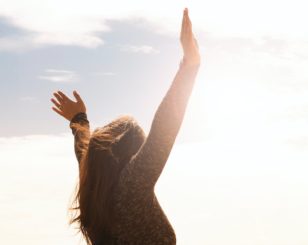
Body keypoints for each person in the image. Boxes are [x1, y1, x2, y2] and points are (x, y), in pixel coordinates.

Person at [50, 8, 200, 245]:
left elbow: (84, 152)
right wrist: (189, 65)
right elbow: (163, 130)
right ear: (129, 155)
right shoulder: (131, 186)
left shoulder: (95, 190)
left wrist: (79, 119)